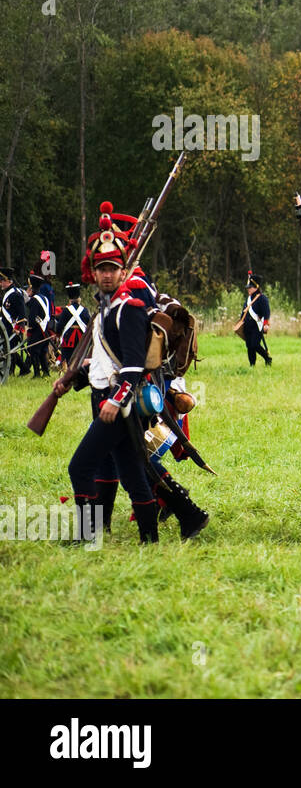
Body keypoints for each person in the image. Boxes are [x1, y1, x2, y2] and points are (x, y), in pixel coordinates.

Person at [51, 204, 160, 544]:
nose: (108, 274)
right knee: (131, 474)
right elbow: (102, 362)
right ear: (93, 273)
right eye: (102, 269)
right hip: (111, 400)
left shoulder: (128, 309)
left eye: (113, 268)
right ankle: (150, 539)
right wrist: (74, 378)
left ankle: (88, 538)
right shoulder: (108, 308)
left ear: (122, 270)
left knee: (79, 467)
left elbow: (132, 364)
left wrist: (115, 399)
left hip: (117, 405)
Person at [24, 269, 55, 378]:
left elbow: (32, 317)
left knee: (34, 351)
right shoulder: (45, 298)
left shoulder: (34, 300)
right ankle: (46, 372)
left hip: (37, 329)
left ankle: (37, 373)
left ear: (32, 287)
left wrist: (30, 328)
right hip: (45, 328)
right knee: (43, 351)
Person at [52, 281, 89, 366]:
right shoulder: (84, 310)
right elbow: (89, 324)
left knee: (67, 358)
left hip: (69, 337)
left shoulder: (66, 310)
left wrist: (57, 334)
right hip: (82, 338)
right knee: (82, 357)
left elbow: (60, 325)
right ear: (79, 298)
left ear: (70, 299)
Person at [239, 272, 272, 366]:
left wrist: (266, 324)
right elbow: (244, 311)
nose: (248, 289)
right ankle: (252, 365)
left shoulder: (262, 298)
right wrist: (241, 321)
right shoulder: (248, 299)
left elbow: (266, 312)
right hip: (247, 326)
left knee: (255, 345)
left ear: (256, 287)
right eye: (248, 287)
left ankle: (267, 358)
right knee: (249, 346)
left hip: (257, 326)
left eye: (250, 287)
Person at [0, 266, 26, 377]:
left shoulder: (16, 294)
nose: (0, 284)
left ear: (7, 281)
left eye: (1, 281)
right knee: (9, 350)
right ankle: (19, 370)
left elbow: (22, 313)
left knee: (10, 350)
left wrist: (18, 328)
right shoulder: (7, 293)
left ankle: (12, 371)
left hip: (13, 328)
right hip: (5, 327)